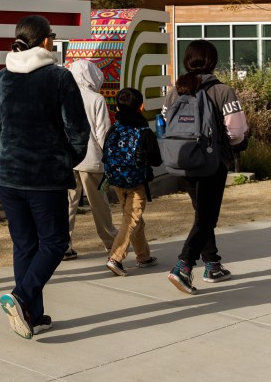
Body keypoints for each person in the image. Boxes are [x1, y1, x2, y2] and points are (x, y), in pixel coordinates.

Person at [0, 15, 89, 339]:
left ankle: (31, 314)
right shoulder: (59, 77)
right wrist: (66, 159)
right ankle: (21, 296)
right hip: (45, 177)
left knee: (24, 245)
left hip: (7, 176)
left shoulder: (2, 78)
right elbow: (78, 131)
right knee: (56, 242)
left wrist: (11, 148)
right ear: (46, 41)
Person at [164, 39, 249, 295]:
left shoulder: (175, 90)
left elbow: (166, 121)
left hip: (182, 159)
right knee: (207, 216)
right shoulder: (222, 91)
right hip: (212, 162)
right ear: (212, 61)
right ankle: (184, 265)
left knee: (202, 214)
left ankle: (212, 263)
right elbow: (237, 132)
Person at [103, 88, 161, 276]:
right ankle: (116, 257)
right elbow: (156, 160)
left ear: (117, 107)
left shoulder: (114, 129)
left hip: (117, 181)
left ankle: (143, 256)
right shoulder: (143, 131)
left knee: (135, 219)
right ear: (141, 107)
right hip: (137, 182)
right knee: (132, 219)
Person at [64, 60, 118, 260]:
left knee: (68, 204)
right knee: (99, 204)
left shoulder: (64, 96)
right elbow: (102, 132)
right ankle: (111, 242)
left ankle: (64, 246)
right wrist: (110, 158)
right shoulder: (96, 99)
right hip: (91, 160)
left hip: (67, 159)